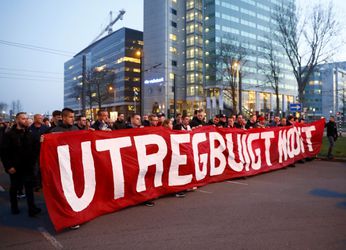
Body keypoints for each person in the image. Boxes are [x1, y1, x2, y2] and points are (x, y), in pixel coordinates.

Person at [1, 112, 41, 217]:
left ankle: (32, 209)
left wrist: (42, 141)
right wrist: (8, 166)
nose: (26, 120)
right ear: (17, 120)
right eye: (23, 119)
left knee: (29, 188)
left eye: (27, 118)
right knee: (14, 187)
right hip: (15, 167)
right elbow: (4, 153)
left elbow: (35, 148)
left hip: (28, 166)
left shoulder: (29, 133)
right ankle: (14, 207)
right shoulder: (9, 134)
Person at [29, 114, 49, 191]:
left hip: (44, 152)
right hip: (34, 153)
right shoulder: (30, 129)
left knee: (43, 168)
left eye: (41, 118)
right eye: (39, 118)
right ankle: (36, 185)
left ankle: (42, 184)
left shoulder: (46, 128)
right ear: (35, 119)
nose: (41, 119)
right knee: (35, 169)